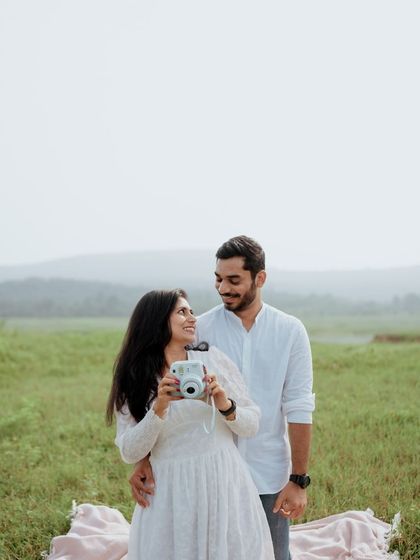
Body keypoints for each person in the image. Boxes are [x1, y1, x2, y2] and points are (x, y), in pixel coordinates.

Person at [130, 236, 315, 560]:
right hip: (203, 479)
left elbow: (299, 405)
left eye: (233, 280)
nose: (223, 287)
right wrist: (143, 458)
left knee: (273, 554)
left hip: (266, 469)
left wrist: (298, 479)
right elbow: (159, 387)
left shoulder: (290, 330)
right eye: (218, 279)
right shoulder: (198, 328)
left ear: (260, 278)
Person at [106, 288, 275, 560]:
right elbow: (129, 451)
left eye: (192, 311)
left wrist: (223, 403)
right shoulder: (136, 376)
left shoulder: (211, 359)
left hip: (222, 478)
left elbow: (251, 424)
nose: (192, 318)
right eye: (182, 312)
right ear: (157, 319)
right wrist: (159, 407)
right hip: (170, 489)